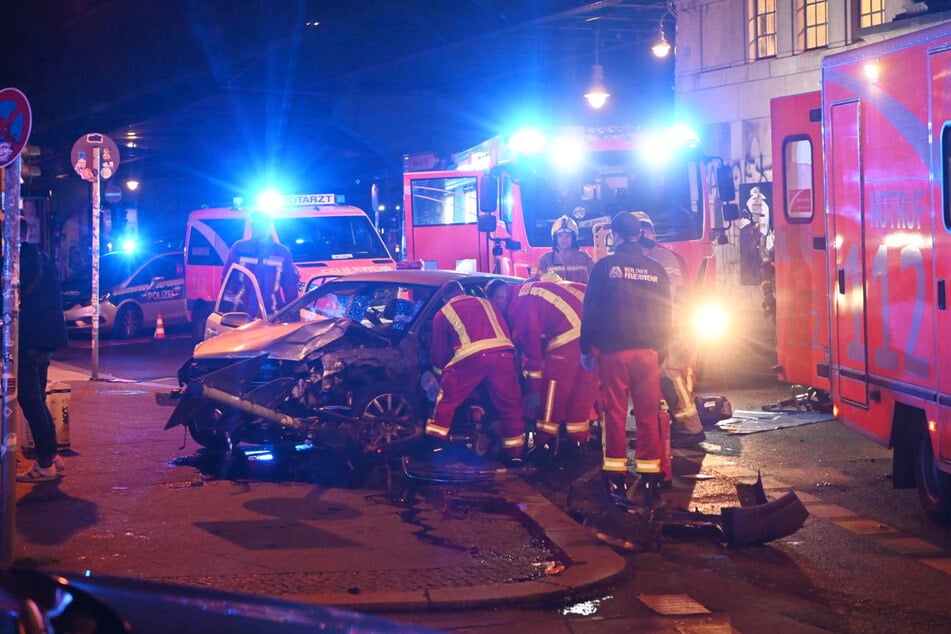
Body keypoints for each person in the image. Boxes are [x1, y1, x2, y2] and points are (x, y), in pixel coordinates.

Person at [579, 212, 672, 507]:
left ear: (615, 236)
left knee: (614, 414)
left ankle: (615, 476)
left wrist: (585, 348)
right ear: (638, 234)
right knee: (648, 415)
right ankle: (650, 478)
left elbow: (591, 309)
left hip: (613, 353)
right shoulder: (656, 269)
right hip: (648, 353)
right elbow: (666, 314)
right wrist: (663, 350)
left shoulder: (604, 267)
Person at [493, 277, 597, 460]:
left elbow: (530, 344)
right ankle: (578, 442)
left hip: (567, 337)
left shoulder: (520, 303)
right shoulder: (531, 290)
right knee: (581, 390)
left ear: (500, 297)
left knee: (552, 391)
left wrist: (533, 388)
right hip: (593, 334)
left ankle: (545, 443)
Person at [425, 281, 526, 464]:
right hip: (504, 355)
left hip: (471, 358)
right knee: (510, 405)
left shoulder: (443, 313)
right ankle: (515, 454)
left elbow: (438, 353)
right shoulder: (486, 302)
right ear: (463, 291)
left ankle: (435, 444)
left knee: (446, 400)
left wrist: (441, 375)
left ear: (444, 298)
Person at [631, 212, 706, 447]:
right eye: (639, 230)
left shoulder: (661, 257)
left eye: (646, 230)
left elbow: (671, 295)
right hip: (671, 326)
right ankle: (672, 426)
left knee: (668, 375)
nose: (643, 235)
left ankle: (690, 427)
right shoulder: (654, 257)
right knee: (662, 376)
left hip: (673, 326)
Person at [16, 220, 70, 482]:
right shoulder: (41, 256)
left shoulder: (16, 262)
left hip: (30, 339)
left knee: (29, 400)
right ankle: (52, 457)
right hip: (47, 338)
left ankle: (46, 462)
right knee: (37, 397)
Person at [222, 210, 299, 316]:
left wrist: (293, 316)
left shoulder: (282, 253)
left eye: (256, 225)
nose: (252, 228)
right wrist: (225, 312)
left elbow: (290, 288)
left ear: (267, 226)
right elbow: (226, 281)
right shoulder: (239, 248)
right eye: (252, 225)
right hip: (240, 315)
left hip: (271, 315)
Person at [536, 215, 594, 284]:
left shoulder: (585, 258)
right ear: (555, 238)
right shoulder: (545, 260)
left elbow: (594, 283)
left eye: (568, 236)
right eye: (560, 235)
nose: (564, 239)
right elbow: (537, 285)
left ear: (574, 238)